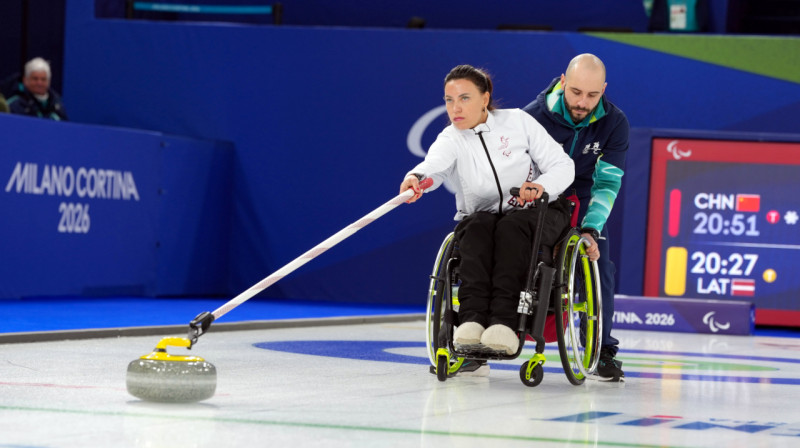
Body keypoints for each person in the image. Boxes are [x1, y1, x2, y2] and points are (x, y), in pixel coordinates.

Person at [400, 64, 576, 359]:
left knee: (511, 228)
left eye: (465, 98)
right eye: (449, 100)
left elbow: (563, 165)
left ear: (485, 98)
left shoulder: (518, 121)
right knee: (477, 227)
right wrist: (417, 180)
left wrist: (540, 186)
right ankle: (471, 320)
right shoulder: (450, 138)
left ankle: (504, 324)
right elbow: (434, 168)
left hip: (537, 211)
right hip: (486, 217)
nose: (455, 108)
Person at [523, 53, 629, 382]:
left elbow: (608, 183)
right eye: (576, 93)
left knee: (601, 266)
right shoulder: (532, 117)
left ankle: (601, 349)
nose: (583, 103)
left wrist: (591, 230)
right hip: (539, 195)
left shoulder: (614, 123)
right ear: (563, 82)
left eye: (593, 95)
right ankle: (486, 343)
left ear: (604, 90)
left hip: (582, 198)